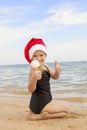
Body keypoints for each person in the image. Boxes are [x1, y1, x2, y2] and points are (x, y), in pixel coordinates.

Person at [24, 38, 68, 120]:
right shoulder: (33, 70)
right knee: (65, 110)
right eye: (35, 56)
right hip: (39, 102)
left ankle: (45, 115)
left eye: (41, 55)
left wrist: (57, 71)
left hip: (47, 99)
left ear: (45, 56)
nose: (39, 58)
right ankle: (40, 116)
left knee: (65, 112)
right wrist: (34, 78)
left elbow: (55, 77)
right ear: (31, 58)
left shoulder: (46, 66)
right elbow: (31, 90)